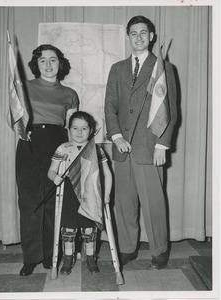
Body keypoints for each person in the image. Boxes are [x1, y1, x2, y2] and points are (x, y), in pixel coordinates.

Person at [105, 15, 177, 269]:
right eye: (133, 33)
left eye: (143, 33)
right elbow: (110, 106)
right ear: (128, 37)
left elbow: (171, 110)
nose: (138, 37)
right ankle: (127, 248)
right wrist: (116, 136)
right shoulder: (117, 69)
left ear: (152, 36)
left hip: (150, 148)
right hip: (123, 147)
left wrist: (162, 145)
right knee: (124, 203)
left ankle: (159, 250)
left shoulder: (163, 68)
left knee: (154, 203)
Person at [16, 44, 79, 276]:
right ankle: (31, 258)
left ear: (60, 64)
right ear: (36, 64)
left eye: (53, 60)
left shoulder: (70, 94)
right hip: (30, 142)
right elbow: (13, 117)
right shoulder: (23, 87)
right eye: (43, 60)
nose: (48, 64)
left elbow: (72, 128)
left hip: (58, 142)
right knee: (30, 201)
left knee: (55, 201)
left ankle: (51, 254)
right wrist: (21, 129)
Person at [48, 111, 112, 275]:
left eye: (84, 128)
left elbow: (107, 174)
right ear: (69, 129)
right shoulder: (63, 148)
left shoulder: (96, 150)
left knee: (89, 229)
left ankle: (90, 257)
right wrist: (54, 177)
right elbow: (51, 171)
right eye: (75, 128)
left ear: (91, 130)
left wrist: (107, 195)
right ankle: (68, 257)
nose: (79, 132)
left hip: (89, 193)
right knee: (68, 229)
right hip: (69, 194)